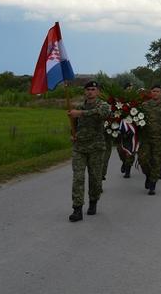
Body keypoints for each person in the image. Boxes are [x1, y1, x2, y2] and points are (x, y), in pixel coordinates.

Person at [68, 80, 111, 222]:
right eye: (88, 89)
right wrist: (73, 134)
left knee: (95, 178)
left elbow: (102, 113)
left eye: (93, 89)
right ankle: (77, 209)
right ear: (84, 92)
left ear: (98, 92)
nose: (90, 92)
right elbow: (74, 124)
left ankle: (93, 201)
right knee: (78, 178)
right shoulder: (79, 107)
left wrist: (80, 113)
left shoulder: (103, 105)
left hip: (96, 148)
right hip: (79, 148)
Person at [138, 85, 161, 195]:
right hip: (145, 138)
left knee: (157, 161)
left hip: (160, 139)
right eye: (153, 91)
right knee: (143, 160)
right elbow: (138, 119)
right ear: (151, 92)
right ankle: (148, 175)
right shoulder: (144, 105)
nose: (155, 93)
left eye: (158, 91)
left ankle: (153, 184)